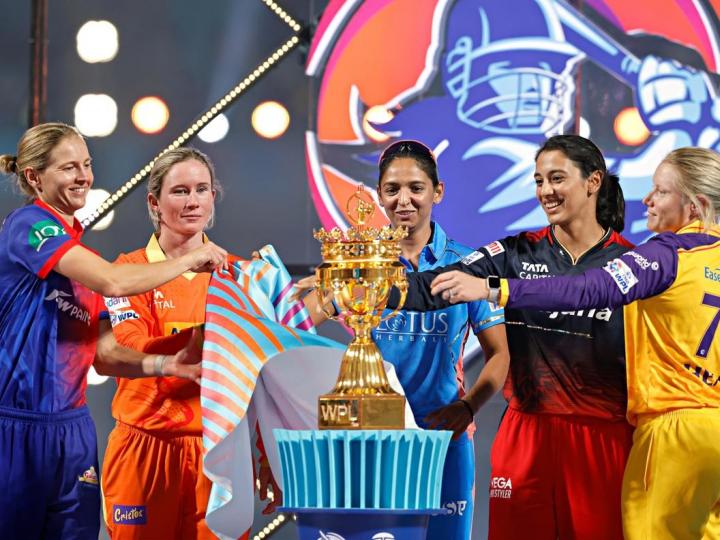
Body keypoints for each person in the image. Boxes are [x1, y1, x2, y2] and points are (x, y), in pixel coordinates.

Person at [431, 146, 720, 539]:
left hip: (669, 431)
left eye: (661, 191)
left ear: (695, 205)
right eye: (538, 180)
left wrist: (494, 289)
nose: (648, 199)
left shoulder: (665, 255)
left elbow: (585, 289)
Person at [389, 135, 634, 539]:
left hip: (600, 439)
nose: (545, 191)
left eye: (557, 179)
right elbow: (429, 287)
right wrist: (358, 282)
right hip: (526, 437)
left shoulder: (632, 263)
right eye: (539, 181)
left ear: (593, 181)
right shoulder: (514, 253)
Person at [0, 122, 227, 540]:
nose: (83, 177)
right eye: (68, 167)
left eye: (87, 164)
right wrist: (189, 259)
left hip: (74, 431)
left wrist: (167, 363)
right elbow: (114, 282)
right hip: (17, 428)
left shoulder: (83, 257)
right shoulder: (29, 225)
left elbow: (104, 355)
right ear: (34, 177)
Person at [299, 139, 509, 539]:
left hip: (444, 439)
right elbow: (297, 320)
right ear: (379, 195)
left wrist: (468, 408)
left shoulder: (468, 265)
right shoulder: (361, 264)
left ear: (437, 192)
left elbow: (499, 354)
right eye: (392, 189)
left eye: (416, 188)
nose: (404, 200)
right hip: (373, 439)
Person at [101, 147, 278, 540]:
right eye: (180, 191)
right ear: (154, 203)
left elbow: (264, 372)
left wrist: (270, 454)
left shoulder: (240, 275)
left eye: (202, 190)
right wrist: (212, 335)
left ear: (213, 197)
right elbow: (131, 344)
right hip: (144, 448)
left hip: (221, 454)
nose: (193, 201)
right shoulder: (128, 271)